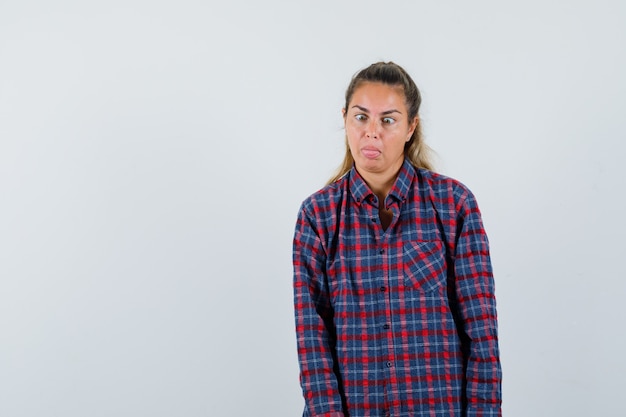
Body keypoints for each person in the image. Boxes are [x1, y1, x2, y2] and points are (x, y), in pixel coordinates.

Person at [292, 61, 502, 417]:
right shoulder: (318, 216)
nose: (372, 132)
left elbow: (482, 334)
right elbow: (312, 342)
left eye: (388, 120)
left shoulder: (454, 206)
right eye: (361, 117)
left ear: (410, 127)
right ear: (345, 119)